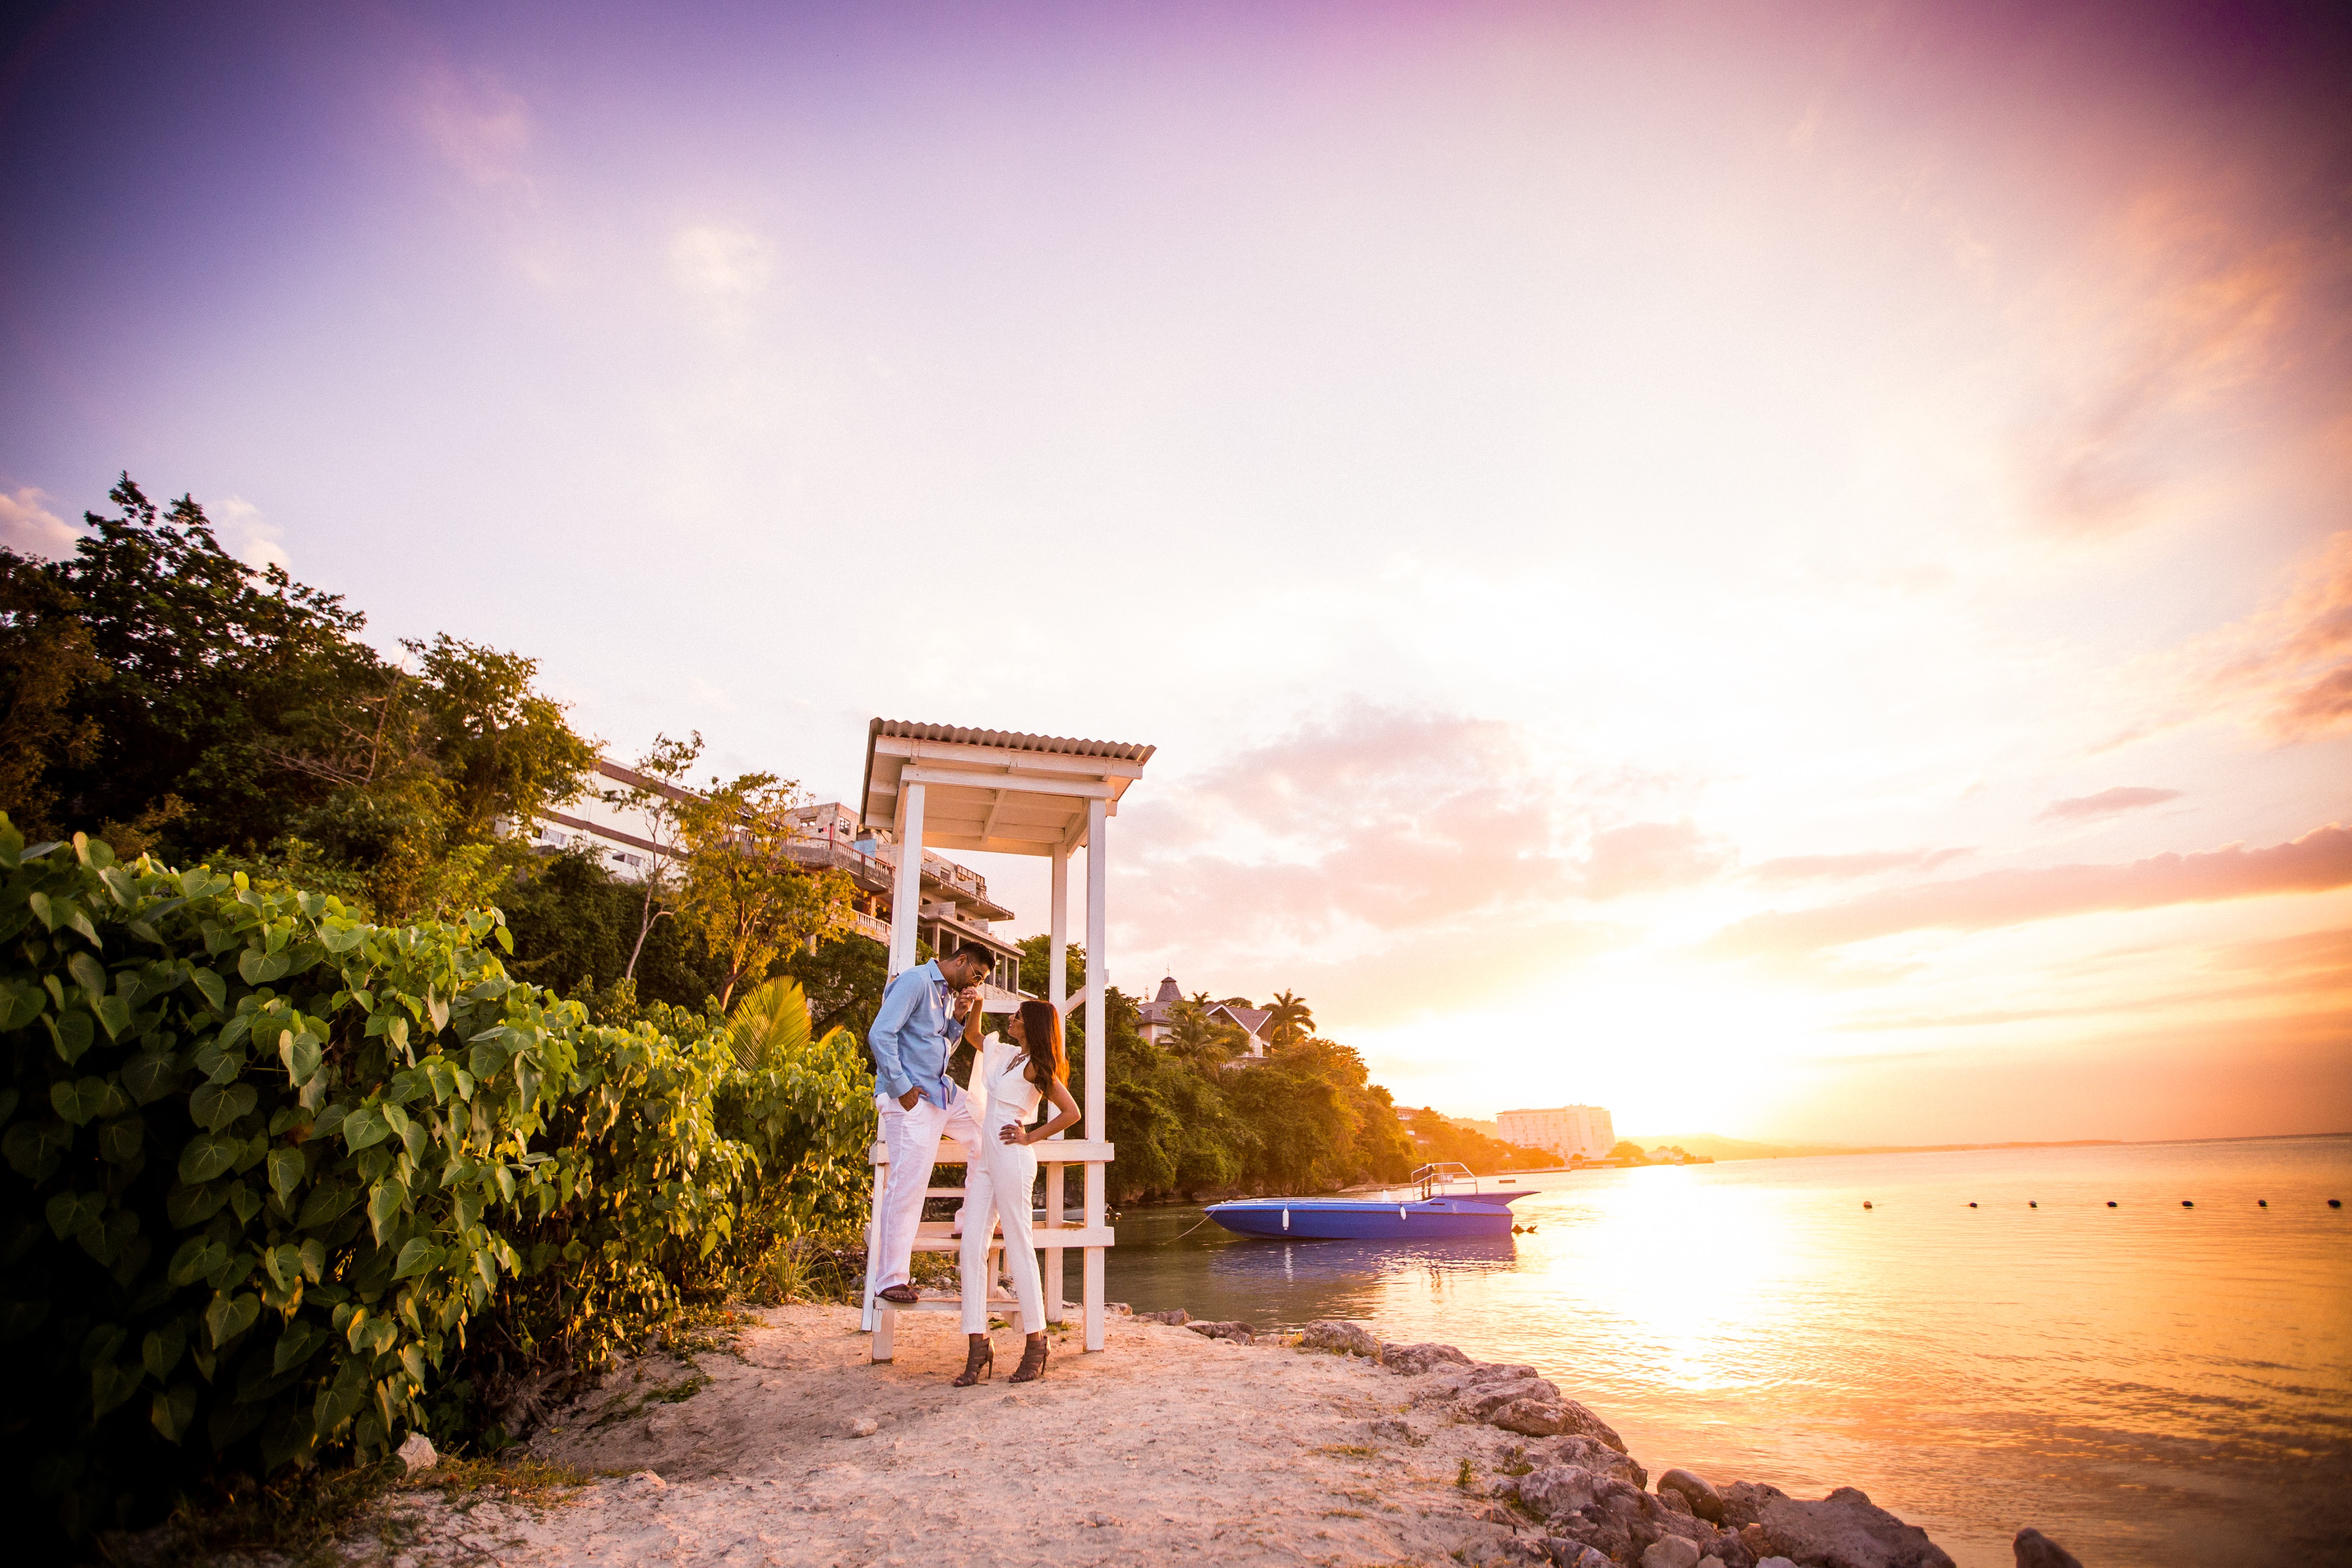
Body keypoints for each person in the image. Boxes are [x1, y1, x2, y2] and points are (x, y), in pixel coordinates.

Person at [951, 998, 1081, 1386]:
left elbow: (1071, 1112)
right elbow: (973, 1034)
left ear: (1033, 1025)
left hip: (1011, 1159)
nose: (1012, 1019)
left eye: (1019, 1016)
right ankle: (978, 1344)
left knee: (1020, 1247)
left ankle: (1037, 1344)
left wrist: (1029, 1137)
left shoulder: (1037, 1067)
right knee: (972, 1245)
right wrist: (978, 1002)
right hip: (989, 1161)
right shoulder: (1006, 1054)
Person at [867, 944, 995, 1309]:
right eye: (976, 976)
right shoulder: (915, 981)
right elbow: (881, 1035)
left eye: (981, 981)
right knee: (908, 1184)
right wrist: (901, 1086)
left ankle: (969, 1219)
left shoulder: (945, 996)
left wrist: (959, 1018)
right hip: (910, 1097)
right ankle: (891, 1279)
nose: (976, 982)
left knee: (989, 1133)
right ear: (960, 961)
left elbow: (939, 1048)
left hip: (940, 1091)